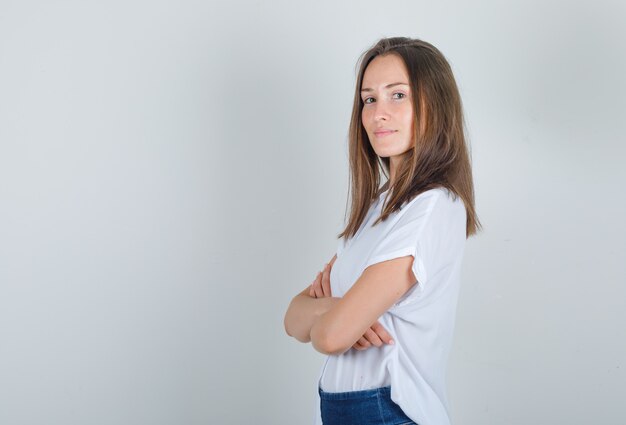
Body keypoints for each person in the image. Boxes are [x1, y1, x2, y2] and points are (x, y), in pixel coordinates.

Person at [283, 36, 481, 425]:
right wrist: (339, 309)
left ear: (434, 106)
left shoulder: (433, 205)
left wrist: (332, 316)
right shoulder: (381, 206)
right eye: (369, 99)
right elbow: (293, 320)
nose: (378, 114)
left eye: (398, 95)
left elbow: (327, 337)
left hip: (387, 411)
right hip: (348, 410)